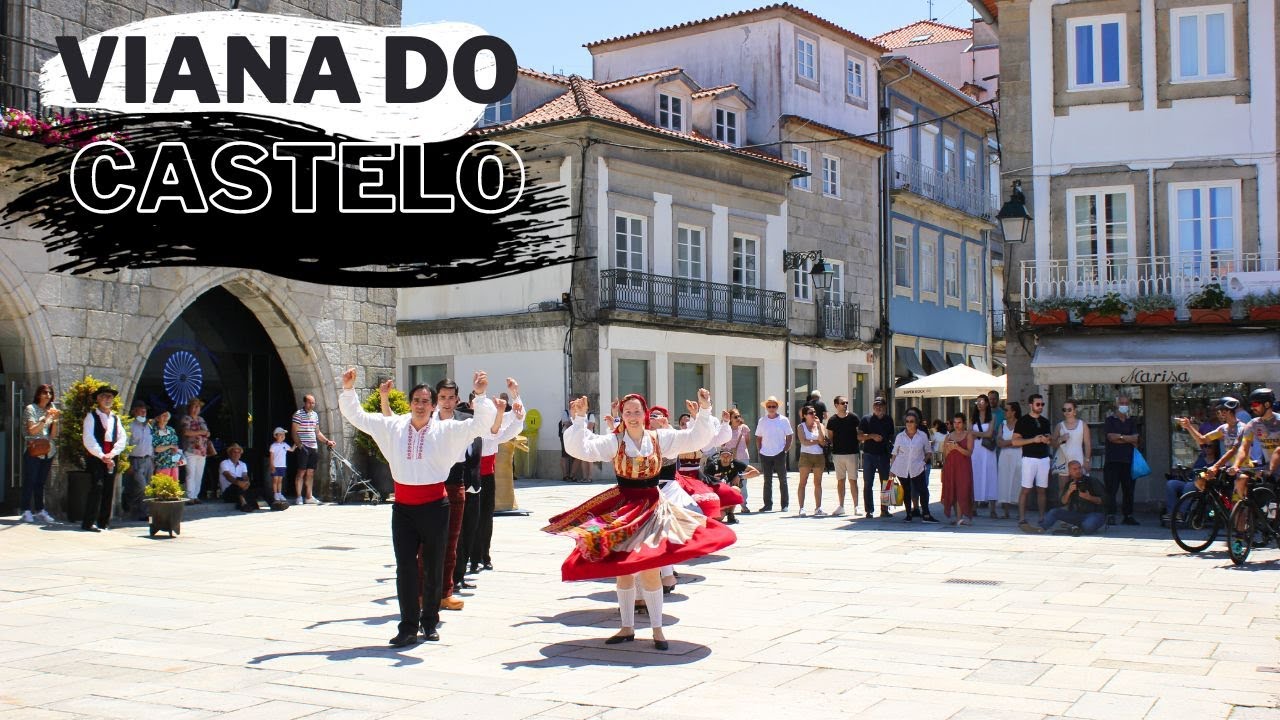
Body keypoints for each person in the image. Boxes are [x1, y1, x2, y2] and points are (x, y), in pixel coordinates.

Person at [545, 390, 733, 651]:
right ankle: (627, 627)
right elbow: (582, 449)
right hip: (625, 509)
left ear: (645, 414)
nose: (632, 416)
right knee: (624, 571)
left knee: (649, 569)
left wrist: (705, 410)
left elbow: (695, 438)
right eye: (628, 412)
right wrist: (578, 419)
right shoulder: (614, 441)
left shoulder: (659, 438)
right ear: (622, 415)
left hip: (652, 508)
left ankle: (658, 630)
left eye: (636, 412)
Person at [338, 367, 498, 647]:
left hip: (435, 507)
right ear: (410, 404)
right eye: (416, 401)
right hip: (403, 509)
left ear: (434, 406)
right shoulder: (395, 426)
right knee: (405, 568)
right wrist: (349, 390)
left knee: (434, 566)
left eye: (426, 401)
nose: (420, 406)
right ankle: (408, 626)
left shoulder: (446, 429)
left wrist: (481, 395)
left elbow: (479, 426)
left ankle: (429, 621)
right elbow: (358, 417)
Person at [81, 384, 125, 532]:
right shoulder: (91, 417)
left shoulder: (115, 418)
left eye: (110, 397)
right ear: (98, 399)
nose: (108, 399)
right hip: (96, 457)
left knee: (109, 488)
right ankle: (89, 522)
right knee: (97, 487)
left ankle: (103, 522)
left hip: (111, 457)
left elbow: (122, 438)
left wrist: (112, 454)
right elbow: (89, 439)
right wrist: (101, 455)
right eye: (105, 396)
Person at [1024, 460, 1105, 535]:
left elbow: (1105, 500)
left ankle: (1075, 529)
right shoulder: (1069, 484)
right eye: (1075, 469)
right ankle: (1041, 529)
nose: (1078, 471)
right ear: (1069, 471)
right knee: (1054, 512)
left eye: (1079, 468)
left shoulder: (1093, 481)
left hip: (1095, 514)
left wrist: (1089, 497)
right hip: (1077, 515)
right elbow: (1062, 502)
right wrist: (1069, 491)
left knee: (1088, 526)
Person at [21, 383, 60, 524]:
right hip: (34, 450)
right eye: (45, 392)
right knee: (30, 480)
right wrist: (45, 418)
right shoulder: (31, 409)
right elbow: (32, 430)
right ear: (38, 394)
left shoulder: (51, 408)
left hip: (48, 450)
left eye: (50, 393)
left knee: (41, 482)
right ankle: (25, 510)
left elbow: (53, 435)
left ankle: (40, 510)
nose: (48, 395)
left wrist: (55, 421)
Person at [1231, 388, 1280, 500]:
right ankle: (1246, 506)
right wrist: (1236, 465)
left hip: (1273, 467)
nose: (1252, 408)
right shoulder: (1253, 424)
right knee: (1241, 480)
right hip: (1267, 467)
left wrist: (1270, 470)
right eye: (1251, 405)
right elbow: (1244, 447)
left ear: (1267, 404)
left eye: (1255, 404)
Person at [1014, 393, 1053, 530]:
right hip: (1029, 458)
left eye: (1042, 404)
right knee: (1026, 489)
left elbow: (1049, 437)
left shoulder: (1045, 421)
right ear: (1031, 405)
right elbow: (1015, 441)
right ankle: (1022, 518)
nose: (1040, 406)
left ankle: (1042, 517)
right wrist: (1033, 440)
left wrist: (1047, 439)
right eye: (1038, 404)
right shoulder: (1023, 421)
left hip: (1044, 458)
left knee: (1042, 489)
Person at [292, 394, 337, 505]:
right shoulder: (298, 414)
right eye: (309, 402)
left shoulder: (315, 415)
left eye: (313, 403)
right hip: (303, 446)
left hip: (313, 447)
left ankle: (309, 496)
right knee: (301, 472)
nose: (311, 405)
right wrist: (300, 446)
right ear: (305, 402)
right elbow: (294, 432)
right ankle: (298, 496)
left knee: (311, 472)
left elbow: (317, 432)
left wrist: (327, 441)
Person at [890, 412, 935, 523]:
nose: (909, 423)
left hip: (917, 467)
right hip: (902, 467)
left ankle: (926, 514)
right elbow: (894, 453)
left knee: (923, 490)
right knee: (906, 490)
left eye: (911, 421)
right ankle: (908, 514)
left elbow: (928, 451)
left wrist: (923, 462)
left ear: (916, 423)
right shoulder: (900, 436)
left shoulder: (922, 435)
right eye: (907, 421)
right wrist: (892, 469)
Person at [1103, 396, 1141, 526]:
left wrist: (1120, 437)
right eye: (1121, 403)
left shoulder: (1132, 421)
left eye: (1126, 403)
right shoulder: (1110, 420)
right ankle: (1111, 515)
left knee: (1129, 490)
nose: (1124, 405)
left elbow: (1136, 440)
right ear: (1116, 405)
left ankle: (1128, 515)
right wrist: (1127, 438)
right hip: (1112, 460)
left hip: (1128, 461)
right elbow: (1111, 437)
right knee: (1111, 490)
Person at [755, 396, 793, 512]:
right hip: (765, 453)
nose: (771, 408)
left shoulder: (783, 420)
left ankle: (784, 505)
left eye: (773, 406)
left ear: (777, 407)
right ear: (766, 407)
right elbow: (758, 437)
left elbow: (789, 435)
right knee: (767, 480)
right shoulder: (762, 421)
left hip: (779, 453)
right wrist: (760, 450)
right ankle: (767, 505)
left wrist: (785, 449)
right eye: (769, 406)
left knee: (783, 479)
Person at [825, 395, 860, 517]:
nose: (845, 405)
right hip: (838, 454)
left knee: (853, 480)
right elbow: (830, 437)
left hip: (852, 453)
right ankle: (841, 506)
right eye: (842, 403)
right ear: (836, 405)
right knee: (840, 480)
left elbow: (859, 434)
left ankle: (856, 506)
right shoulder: (832, 420)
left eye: (846, 403)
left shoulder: (853, 417)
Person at [860, 397, 895, 518]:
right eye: (876, 405)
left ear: (885, 407)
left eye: (880, 405)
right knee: (868, 483)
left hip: (884, 455)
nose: (878, 407)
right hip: (869, 455)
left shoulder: (888, 419)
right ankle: (869, 510)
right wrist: (872, 436)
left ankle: (885, 509)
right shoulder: (866, 419)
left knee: (886, 483)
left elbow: (891, 436)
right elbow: (859, 436)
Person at [702, 448, 757, 524]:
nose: (725, 458)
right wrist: (713, 479)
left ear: (731, 457)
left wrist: (740, 476)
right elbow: (703, 480)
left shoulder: (735, 463)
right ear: (720, 456)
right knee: (719, 517)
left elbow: (756, 472)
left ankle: (731, 514)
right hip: (717, 495)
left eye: (727, 456)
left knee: (735, 489)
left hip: (729, 493)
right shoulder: (713, 465)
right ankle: (725, 511)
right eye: (723, 456)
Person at [1053, 399, 1092, 501]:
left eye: (1069, 409)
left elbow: (1087, 444)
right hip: (1064, 460)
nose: (1067, 412)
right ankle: (1063, 508)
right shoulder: (1059, 426)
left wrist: (1087, 460)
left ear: (1075, 411)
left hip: (1079, 459)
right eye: (1064, 409)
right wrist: (1061, 439)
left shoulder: (1082, 425)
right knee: (1063, 488)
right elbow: (1052, 444)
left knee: (1081, 487)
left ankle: (1080, 508)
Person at [123, 400, 154, 521]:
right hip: (135, 460)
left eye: (144, 411)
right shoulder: (130, 426)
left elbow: (151, 444)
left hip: (148, 460)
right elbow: (126, 445)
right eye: (140, 411)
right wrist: (127, 463)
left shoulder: (148, 426)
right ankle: (132, 508)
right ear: (134, 412)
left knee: (147, 488)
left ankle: (143, 512)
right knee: (140, 486)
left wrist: (152, 459)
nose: (143, 413)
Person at [941, 413, 974, 525]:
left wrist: (957, 447)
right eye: (955, 422)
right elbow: (945, 455)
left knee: (963, 490)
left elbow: (969, 453)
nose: (957, 425)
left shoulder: (968, 435)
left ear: (964, 423)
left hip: (963, 466)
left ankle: (963, 516)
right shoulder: (948, 436)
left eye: (959, 422)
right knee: (953, 490)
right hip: (951, 466)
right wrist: (948, 449)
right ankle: (958, 517)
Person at [794, 405, 827, 516]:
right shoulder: (801, 426)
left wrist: (819, 427)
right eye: (810, 413)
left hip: (819, 456)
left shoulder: (820, 425)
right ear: (804, 415)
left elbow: (823, 440)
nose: (813, 414)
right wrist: (817, 441)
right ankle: (801, 508)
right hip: (806, 456)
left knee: (818, 483)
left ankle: (818, 508)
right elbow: (804, 442)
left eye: (814, 412)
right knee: (803, 482)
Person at [970, 395, 998, 519]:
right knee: (976, 476)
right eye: (977, 402)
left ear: (986, 403)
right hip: (976, 450)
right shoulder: (973, 418)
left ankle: (993, 509)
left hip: (987, 450)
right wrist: (980, 434)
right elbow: (969, 432)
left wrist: (976, 433)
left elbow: (989, 433)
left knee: (991, 476)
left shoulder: (992, 417)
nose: (979, 404)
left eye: (981, 401)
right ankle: (974, 507)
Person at [179, 398, 211, 502]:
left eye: (198, 407)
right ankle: (190, 496)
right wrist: (201, 432)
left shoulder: (201, 419)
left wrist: (206, 433)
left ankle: (196, 495)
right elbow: (186, 432)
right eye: (194, 406)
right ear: (190, 408)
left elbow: (207, 432)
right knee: (190, 474)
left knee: (198, 474)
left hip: (202, 451)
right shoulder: (186, 418)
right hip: (190, 450)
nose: (196, 409)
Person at [995, 402, 1023, 519]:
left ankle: (1020, 512)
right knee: (1004, 480)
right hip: (1004, 457)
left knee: (1019, 481)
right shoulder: (1003, 424)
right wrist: (1012, 442)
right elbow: (999, 442)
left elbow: (1021, 442)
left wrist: (1007, 443)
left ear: (1013, 412)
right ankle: (1006, 512)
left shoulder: (1021, 424)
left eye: (1007, 410)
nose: (1005, 412)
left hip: (1018, 456)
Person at [218, 443, 259, 512]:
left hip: (241, 490)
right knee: (239, 480)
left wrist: (247, 482)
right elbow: (228, 477)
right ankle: (243, 504)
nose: (236, 454)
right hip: (227, 492)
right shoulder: (224, 463)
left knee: (258, 486)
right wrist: (239, 483)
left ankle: (274, 503)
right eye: (234, 452)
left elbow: (245, 476)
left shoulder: (243, 464)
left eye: (238, 452)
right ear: (230, 453)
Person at [151, 409, 181, 481]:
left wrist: (175, 449)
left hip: (174, 463)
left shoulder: (171, 430)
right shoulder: (154, 430)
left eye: (167, 416)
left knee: (174, 485)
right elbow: (156, 449)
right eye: (163, 416)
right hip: (162, 464)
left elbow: (175, 444)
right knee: (162, 485)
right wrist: (170, 446)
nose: (166, 418)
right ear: (158, 418)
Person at [268, 427, 294, 503]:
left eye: (283, 435)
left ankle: (279, 493)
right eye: (280, 434)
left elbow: (291, 450)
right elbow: (271, 457)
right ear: (275, 436)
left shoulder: (285, 445)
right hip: (275, 466)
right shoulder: (273, 446)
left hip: (282, 466)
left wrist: (296, 443)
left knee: (280, 480)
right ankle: (275, 494)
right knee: (275, 480)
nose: (282, 436)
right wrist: (272, 466)